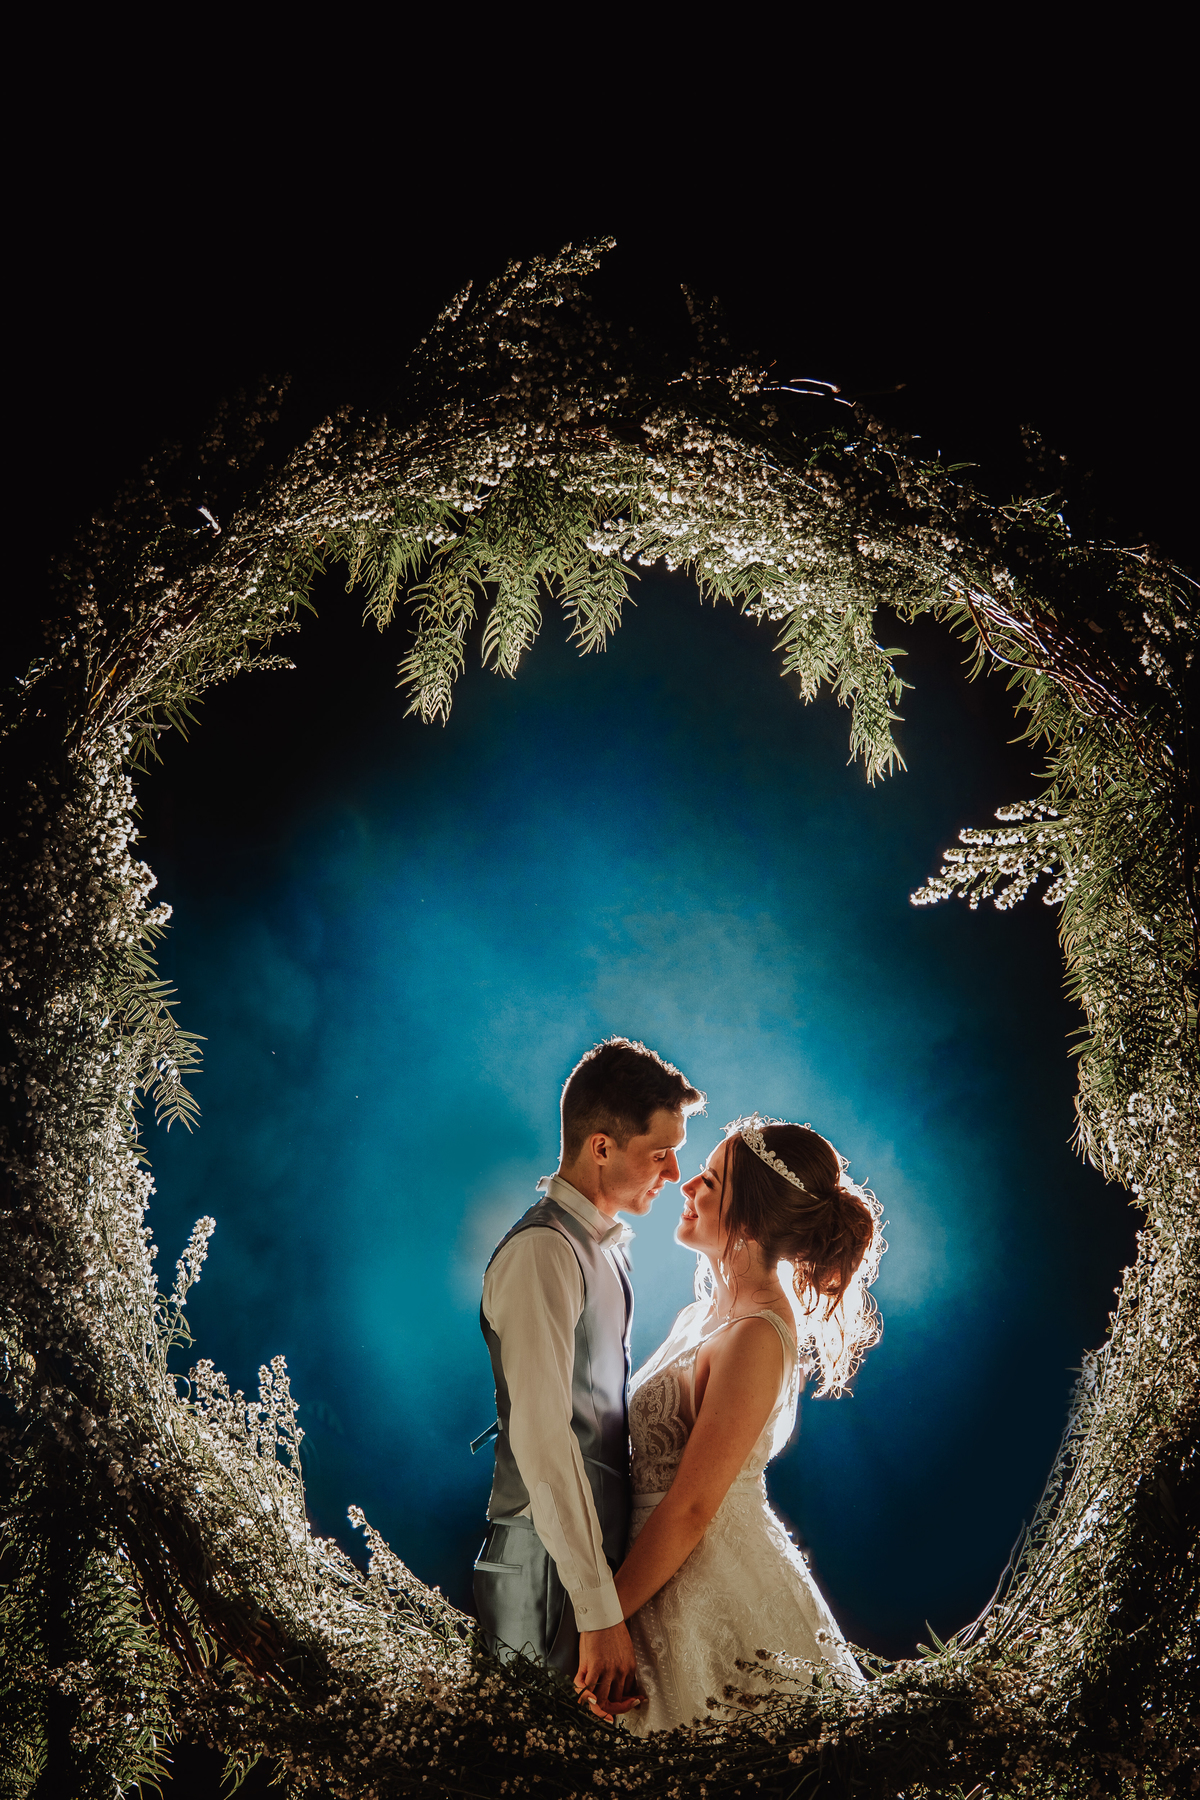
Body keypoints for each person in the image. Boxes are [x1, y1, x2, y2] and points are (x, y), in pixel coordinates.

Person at [606, 1114, 884, 1735]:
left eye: (708, 1179)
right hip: (653, 1567)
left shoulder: (756, 1334)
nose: (685, 1186)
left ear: (751, 1216)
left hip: (703, 1582)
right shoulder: (701, 1313)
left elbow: (693, 1505)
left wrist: (602, 1619)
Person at [472, 1038, 705, 1718]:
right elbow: (546, 1441)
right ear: (600, 1146)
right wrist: (599, 1612)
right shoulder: (544, 1252)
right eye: (659, 1153)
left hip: (582, 1568)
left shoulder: (604, 1248)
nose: (674, 1173)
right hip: (544, 1569)